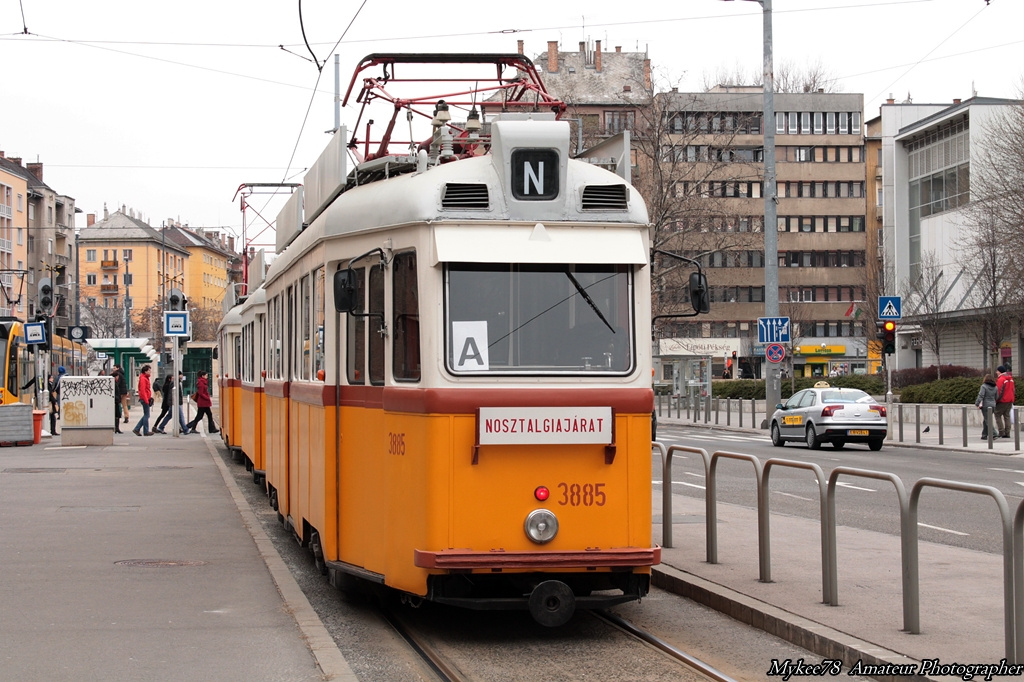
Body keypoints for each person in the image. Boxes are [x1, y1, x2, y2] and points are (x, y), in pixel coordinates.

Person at [186, 370, 219, 434]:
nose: (207, 376)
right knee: (200, 416)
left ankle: (211, 428)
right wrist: (207, 397)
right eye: (206, 375)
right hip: (203, 402)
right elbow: (201, 393)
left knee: (207, 415)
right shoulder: (201, 383)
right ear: (203, 376)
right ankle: (189, 427)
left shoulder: (203, 382)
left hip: (204, 402)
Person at [132, 365, 154, 436]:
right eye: (149, 370)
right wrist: (146, 399)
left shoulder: (145, 378)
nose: (150, 372)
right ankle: (145, 430)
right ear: (145, 371)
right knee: (147, 415)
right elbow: (143, 390)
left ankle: (137, 429)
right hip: (145, 399)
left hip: (145, 398)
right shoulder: (143, 379)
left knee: (146, 415)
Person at [995, 365, 1015, 439]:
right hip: (1010, 400)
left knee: (997, 415)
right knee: (1007, 416)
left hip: (1002, 400)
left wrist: (996, 400)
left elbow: (999, 391)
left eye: (997, 371)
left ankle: (1001, 432)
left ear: (1000, 371)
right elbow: (1013, 390)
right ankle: (1007, 433)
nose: (996, 372)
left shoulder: (1001, 379)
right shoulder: (1011, 379)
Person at [976, 373, 998, 440]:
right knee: (986, 420)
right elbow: (997, 397)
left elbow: (981, 395)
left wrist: (977, 403)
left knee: (988, 420)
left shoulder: (984, 386)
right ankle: (984, 435)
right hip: (993, 405)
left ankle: (994, 433)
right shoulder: (995, 387)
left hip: (986, 405)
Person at [48, 366, 66, 434]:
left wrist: (54, 390)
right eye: (51, 378)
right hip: (64, 394)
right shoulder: (67, 375)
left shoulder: (60, 377)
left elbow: (57, 385)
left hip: (60, 393)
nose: (53, 379)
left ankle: (59, 414)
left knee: (60, 404)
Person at [111, 366, 125, 433]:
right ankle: (116, 428)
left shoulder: (114, 383)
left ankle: (117, 428)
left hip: (116, 401)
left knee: (117, 415)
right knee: (117, 414)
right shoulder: (114, 384)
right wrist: (117, 399)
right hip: (115, 401)